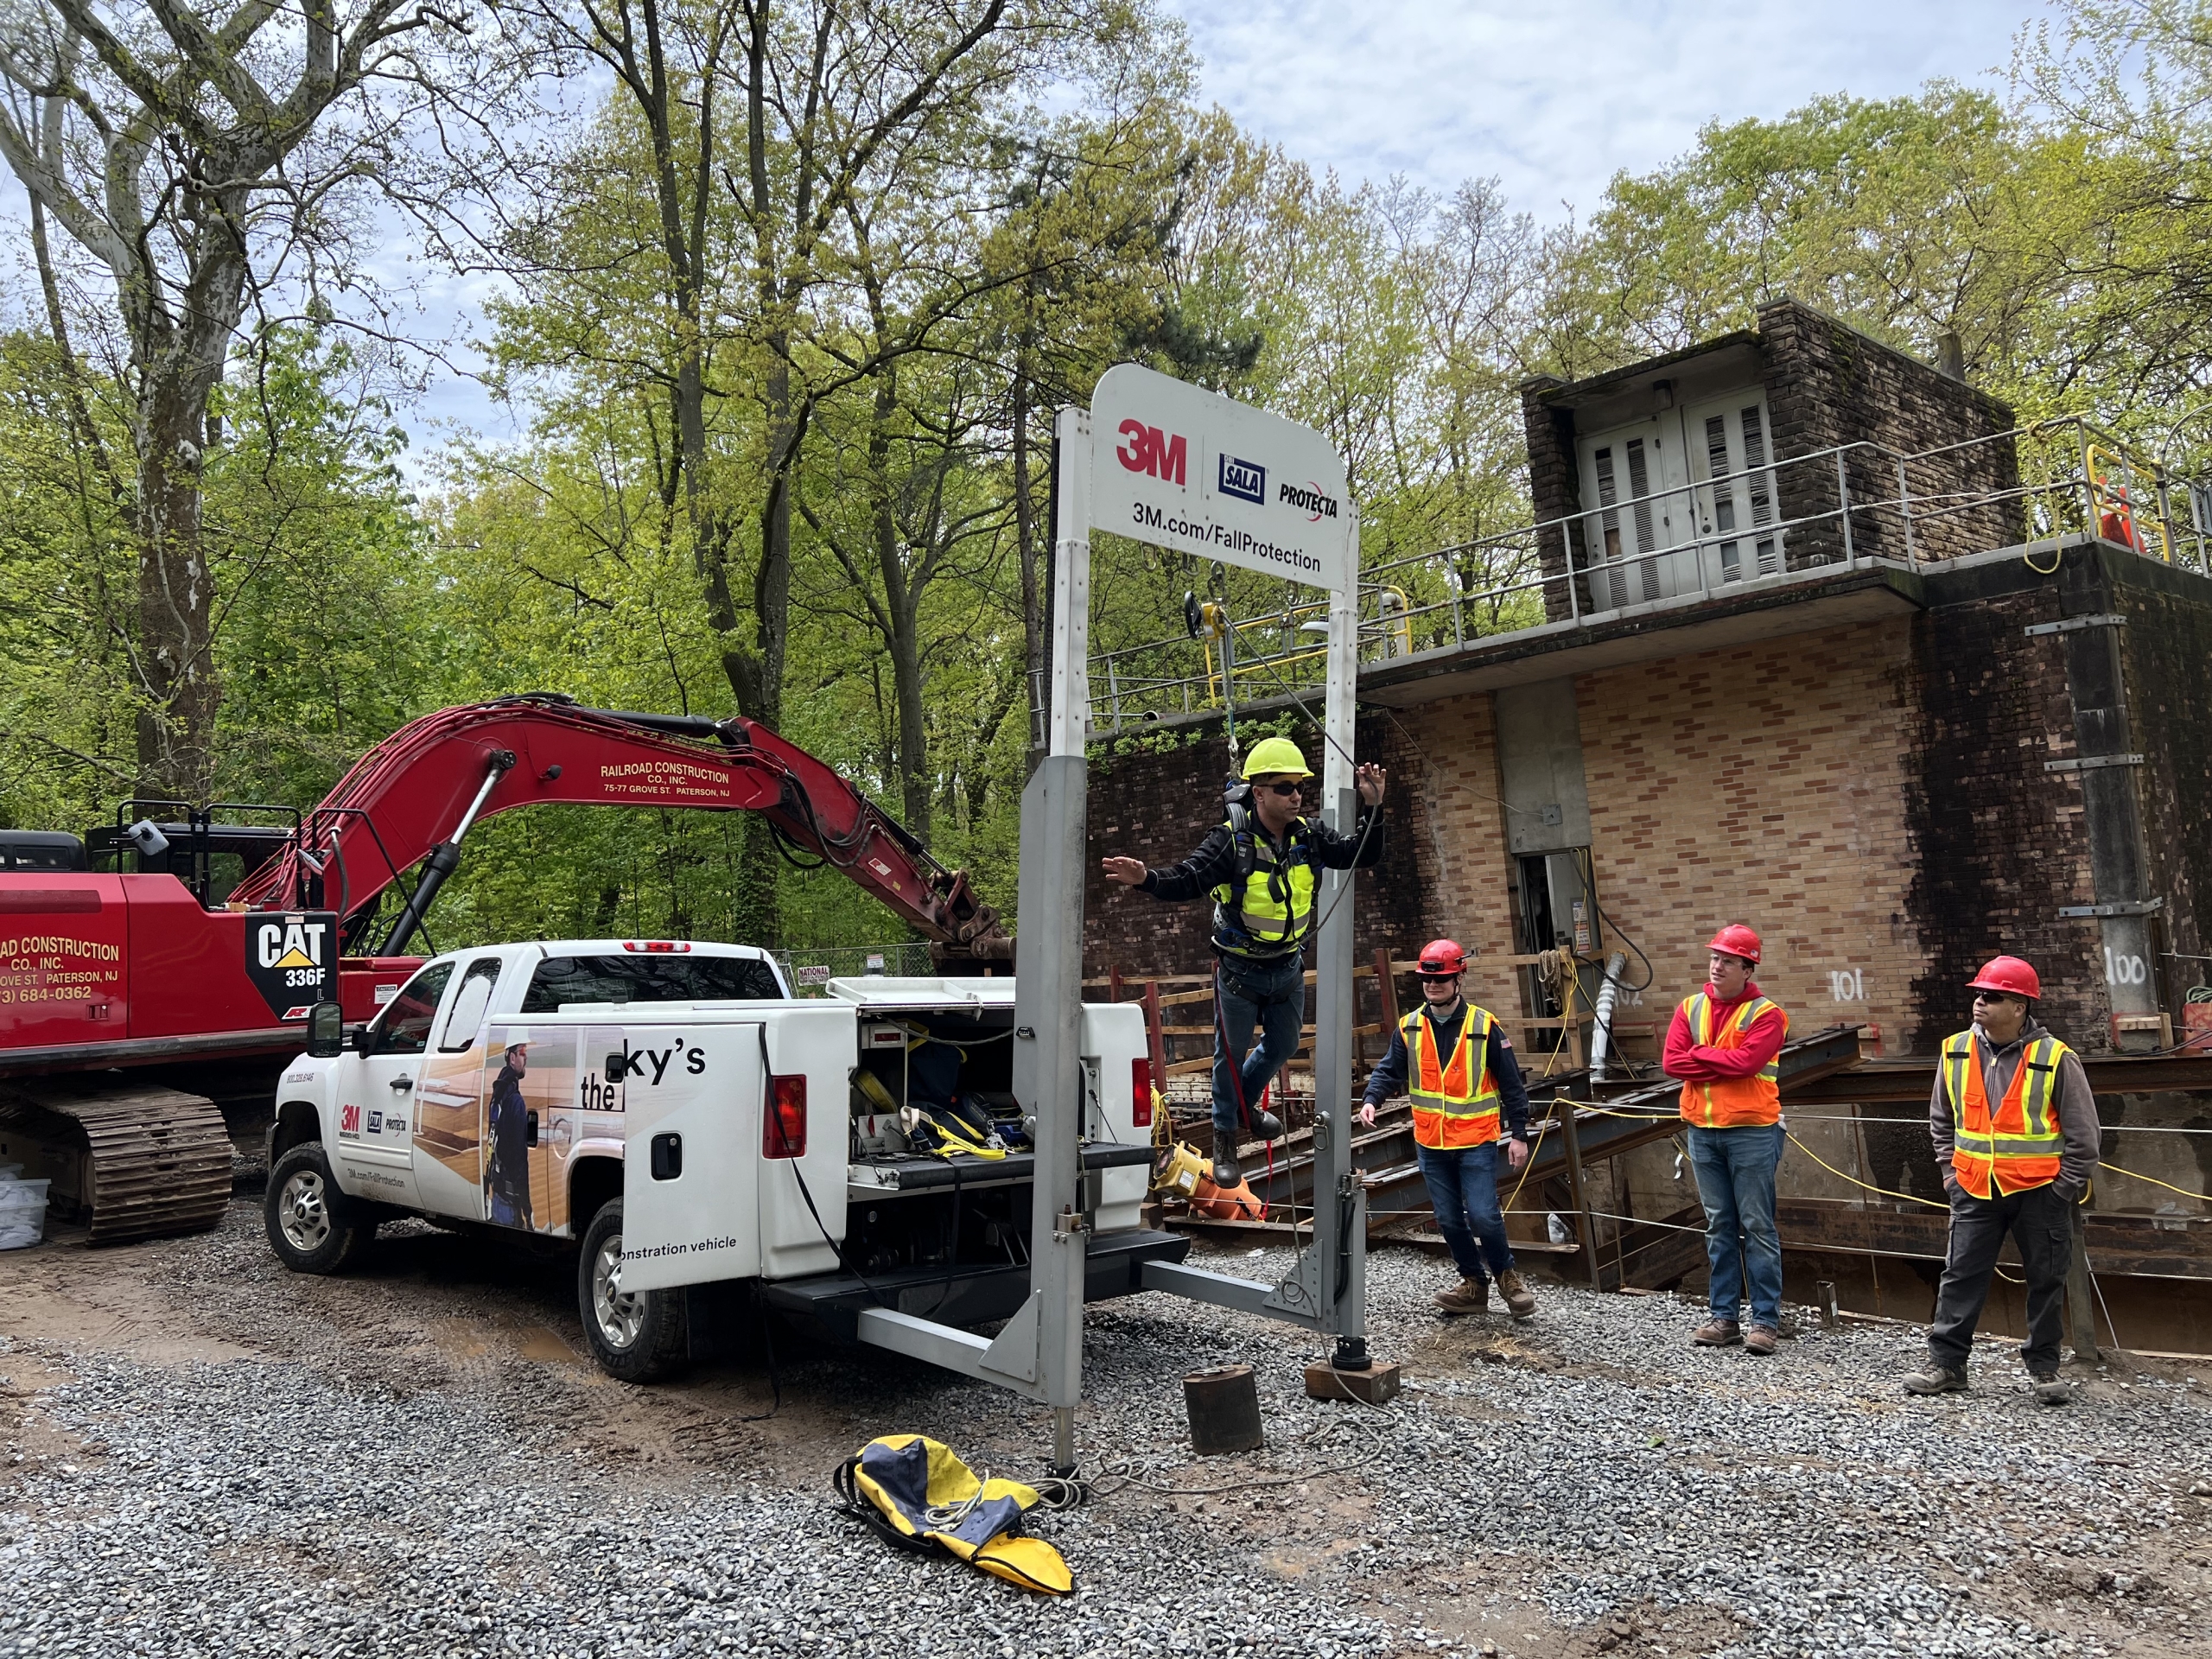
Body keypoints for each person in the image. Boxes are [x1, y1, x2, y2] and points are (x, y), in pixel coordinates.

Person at [1101, 736, 1387, 1185]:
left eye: (1299, 787)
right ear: (1259, 792)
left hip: (1287, 967)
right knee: (1230, 1056)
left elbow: (1361, 854)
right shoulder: (1229, 842)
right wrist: (1146, 879)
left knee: (1284, 1045)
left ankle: (1242, 1107)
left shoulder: (1309, 836)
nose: (1296, 796)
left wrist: (1374, 807)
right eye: (1285, 787)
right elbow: (1189, 879)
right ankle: (1226, 1138)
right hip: (1239, 970)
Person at [1904, 957, 2099, 1407]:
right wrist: (1951, 1174)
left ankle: (2044, 1367)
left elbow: (2085, 1136)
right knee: (1960, 1275)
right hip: (1973, 1189)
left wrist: (2062, 1189)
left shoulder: (2055, 1058)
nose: (1980, 1002)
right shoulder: (1955, 1050)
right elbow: (1941, 1121)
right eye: (1979, 994)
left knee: (2046, 1279)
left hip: (2040, 1192)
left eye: (1992, 996)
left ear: (2020, 1007)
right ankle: (1947, 1365)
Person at [1358, 938, 1537, 1317]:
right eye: (1426, 979)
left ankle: (1507, 1277)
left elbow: (1511, 1084)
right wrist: (1372, 1098)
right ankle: (1473, 1285)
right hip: (1431, 1143)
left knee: (1484, 1215)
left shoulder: (1484, 1026)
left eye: (1440, 979)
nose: (1432, 985)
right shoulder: (1409, 1027)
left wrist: (1519, 1134)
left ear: (1458, 979)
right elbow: (1389, 1070)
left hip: (1475, 1141)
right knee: (1449, 1220)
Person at [1663, 925, 1790, 1356]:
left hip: (1752, 1131)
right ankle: (1724, 1318)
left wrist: (1699, 1054)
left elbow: (1748, 1064)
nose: (1717, 966)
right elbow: (1671, 1062)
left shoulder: (1768, 1014)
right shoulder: (1690, 1007)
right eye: (1715, 958)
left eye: (1728, 961)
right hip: (1703, 1131)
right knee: (1719, 1225)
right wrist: (1722, 1061)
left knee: (1756, 1225)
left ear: (1747, 969)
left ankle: (1765, 1322)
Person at [485, 1039, 535, 1229]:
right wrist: (527, 1209)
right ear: (512, 1058)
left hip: (498, 1193)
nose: (526, 1058)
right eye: (522, 1052)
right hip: (510, 1200)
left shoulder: (498, 1094)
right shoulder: (515, 1101)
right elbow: (519, 1159)